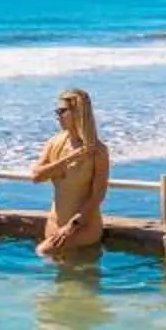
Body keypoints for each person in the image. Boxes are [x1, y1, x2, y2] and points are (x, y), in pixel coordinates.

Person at [29, 87, 110, 259]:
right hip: (54, 226)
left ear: (78, 112)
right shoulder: (54, 143)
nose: (57, 115)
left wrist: (72, 226)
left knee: (42, 253)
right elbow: (36, 176)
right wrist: (68, 159)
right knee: (62, 281)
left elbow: (98, 196)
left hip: (82, 227)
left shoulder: (98, 151)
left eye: (62, 111)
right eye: (57, 111)